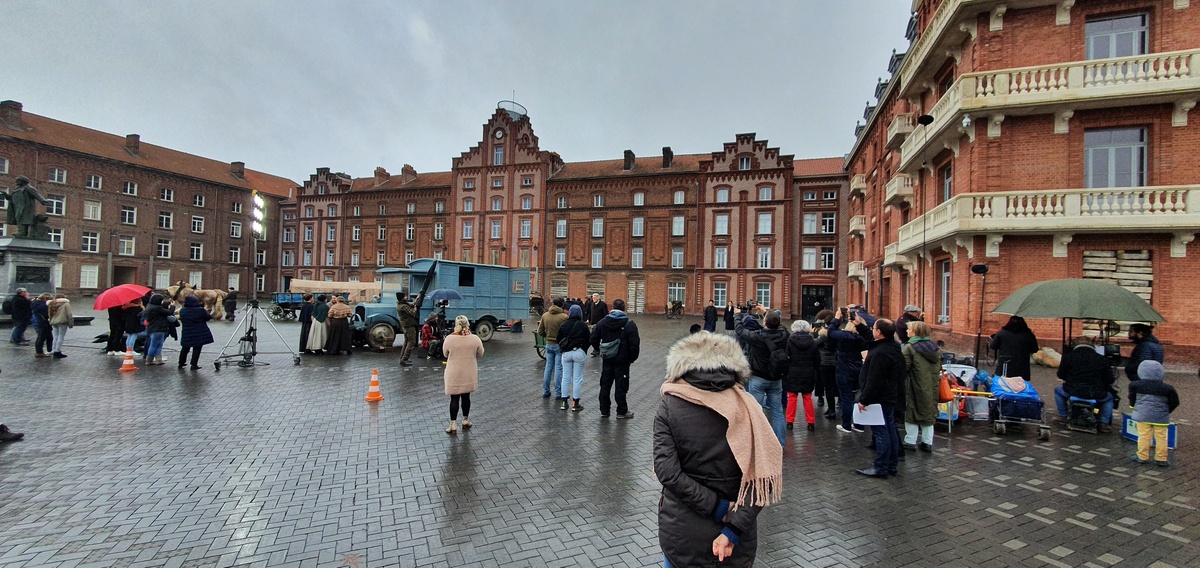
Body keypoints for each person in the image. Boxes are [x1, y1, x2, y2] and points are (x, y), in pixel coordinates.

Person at [654, 332, 782, 567]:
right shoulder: (749, 407)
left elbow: (667, 472)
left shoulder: (670, 404)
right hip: (735, 536)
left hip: (682, 531)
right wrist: (733, 528)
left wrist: (716, 507)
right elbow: (763, 476)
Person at [855, 318, 906, 478]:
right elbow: (872, 341)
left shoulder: (881, 353)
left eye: (874, 328)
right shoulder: (893, 347)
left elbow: (874, 380)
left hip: (879, 398)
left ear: (879, 332)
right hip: (890, 396)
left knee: (881, 431)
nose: (872, 331)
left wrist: (864, 399)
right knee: (889, 428)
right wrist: (860, 326)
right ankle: (891, 465)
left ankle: (881, 466)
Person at [735, 309, 791, 445]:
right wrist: (768, 313)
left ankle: (756, 443)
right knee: (777, 412)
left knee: (756, 412)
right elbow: (777, 324)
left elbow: (740, 330)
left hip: (758, 378)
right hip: (776, 378)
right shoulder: (784, 335)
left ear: (764, 322)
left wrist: (737, 315)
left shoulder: (757, 336)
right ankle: (780, 443)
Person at [590, 298, 640, 418]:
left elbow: (593, 338)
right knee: (621, 386)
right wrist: (631, 359)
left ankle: (604, 410)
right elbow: (635, 345)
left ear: (612, 307)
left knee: (605, 384)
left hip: (607, 358)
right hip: (623, 360)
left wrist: (599, 349)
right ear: (623, 308)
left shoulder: (603, 322)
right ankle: (621, 411)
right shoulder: (629, 324)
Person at [827, 306, 873, 433]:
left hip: (843, 370)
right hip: (858, 370)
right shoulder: (863, 339)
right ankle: (859, 425)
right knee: (859, 398)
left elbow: (830, 331)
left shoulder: (844, 337)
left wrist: (836, 319)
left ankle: (846, 425)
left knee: (846, 398)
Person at [1054, 340, 1115, 432]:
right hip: (1095, 393)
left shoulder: (1068, 357)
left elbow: (1061, 375)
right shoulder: (1102, 359)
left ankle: (1063, 416)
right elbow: (1109, 380)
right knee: (1109, 398)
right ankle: (1104, 423)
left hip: (1072, 390)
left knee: (1057, 390)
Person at [1128, 360, 1179, 467]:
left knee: (1143, 436)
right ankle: (1161, 458)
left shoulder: (1135, 385)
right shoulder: (1168, 388)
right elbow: (1175, 402)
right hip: (1161, 417)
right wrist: (1166, 411)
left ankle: (1142, 456)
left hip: (1143, 415)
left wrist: (1133, 407)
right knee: (1161, 437)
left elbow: (1132, 398)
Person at [902, 321, 941, 452]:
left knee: (911, 410)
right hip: (931, 386)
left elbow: (904, 367)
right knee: (929, 411)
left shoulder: (910, 347)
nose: (907, 331)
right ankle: (927, 442)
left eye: (909, 329)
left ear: (915, 332)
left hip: (913, 384)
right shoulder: (935, 348)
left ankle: (910, 440)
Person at [442, 315, 484, 435]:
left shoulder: (449, 339)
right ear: (468, 324)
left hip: (453, 371)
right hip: (468, 371)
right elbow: (480, 353)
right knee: (466, 397)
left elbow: (445, 353)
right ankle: (465, 419)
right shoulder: (475, 338)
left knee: (454, 398)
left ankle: (453, 424)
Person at [785, 320, 821, 432]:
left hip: (793, 372)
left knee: (792, 397)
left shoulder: (790, 341)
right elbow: (817, 360)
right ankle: (810, 422)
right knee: (807, 398)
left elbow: (787, 356)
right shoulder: (813, 342)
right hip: (808, 372)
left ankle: (790, 421)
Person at [557, 304, 590, 411]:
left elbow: (558, 338)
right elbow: (588, 339)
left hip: (566, 353)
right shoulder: (583, 325)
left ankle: (563, 402)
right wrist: (583, 348)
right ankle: (575, 403)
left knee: (565, 378)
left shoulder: (564, 324)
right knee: (577, 378)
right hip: (579, 352)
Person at [536, 298, 569, 399]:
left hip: (549, 344)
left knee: (548, 367)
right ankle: (558, 393)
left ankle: (546, 391)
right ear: (562, 305)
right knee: (558, 368)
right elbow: (567, 332)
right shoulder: (564, 317)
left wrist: (547, 336)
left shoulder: (545, 315)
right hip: (559, 345)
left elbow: (540, 331)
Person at [990, 315, 1038, 381]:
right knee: (1021, 386)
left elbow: (993, 346)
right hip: (1022, 366)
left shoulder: (1002, 333)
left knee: (1004, 384)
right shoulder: (1029, 335)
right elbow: (1034, 349)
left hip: (1005, 365)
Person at [812, 310, 839, 419]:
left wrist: (812, 333)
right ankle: (833, 406)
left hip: (824, 363)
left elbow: (813, 344)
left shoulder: (823, 335)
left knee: (827, 387)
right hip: (836, 362)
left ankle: (831, 409)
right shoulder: (839, 334)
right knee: (833, 385)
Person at [177, 296, 214, 369]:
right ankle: (193, 364)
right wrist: (205, 311)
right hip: (198, 332)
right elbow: (208, 317)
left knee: (185, 348)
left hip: (186, 332)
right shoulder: (200, 310)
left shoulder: (182, 310)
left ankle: (181, 362)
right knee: (197, 348)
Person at [141, 294, 175, 365]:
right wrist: (172, 306)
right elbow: (169, 313)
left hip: (151, 328)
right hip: (159, 328)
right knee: (155, 344)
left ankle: (157, 359)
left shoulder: (149, 307)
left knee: (157, 344)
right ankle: (150, 359)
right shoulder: (158, 308)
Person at [397, 292, 424, 365]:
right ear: (402, 298)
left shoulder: (401, 304)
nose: (406, 297)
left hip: (405, 326)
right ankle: (405, 358)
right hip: (409, 326)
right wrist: (416, 307)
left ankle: (402, 357)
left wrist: (416, 299)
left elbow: (411, 304)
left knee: (406, 341)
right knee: (411, 342)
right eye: (405, 296)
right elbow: (413, 313)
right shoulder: (404, 306)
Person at [48, 294, 73, 358]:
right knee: (61, 336)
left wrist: (51, 321)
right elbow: (69, 314)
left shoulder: (51, 303)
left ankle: (53, 350)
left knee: (55, 336)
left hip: (54, 322)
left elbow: (49, 314)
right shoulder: (66, 304)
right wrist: (71, 324)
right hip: (62, 322)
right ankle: (57, 351)